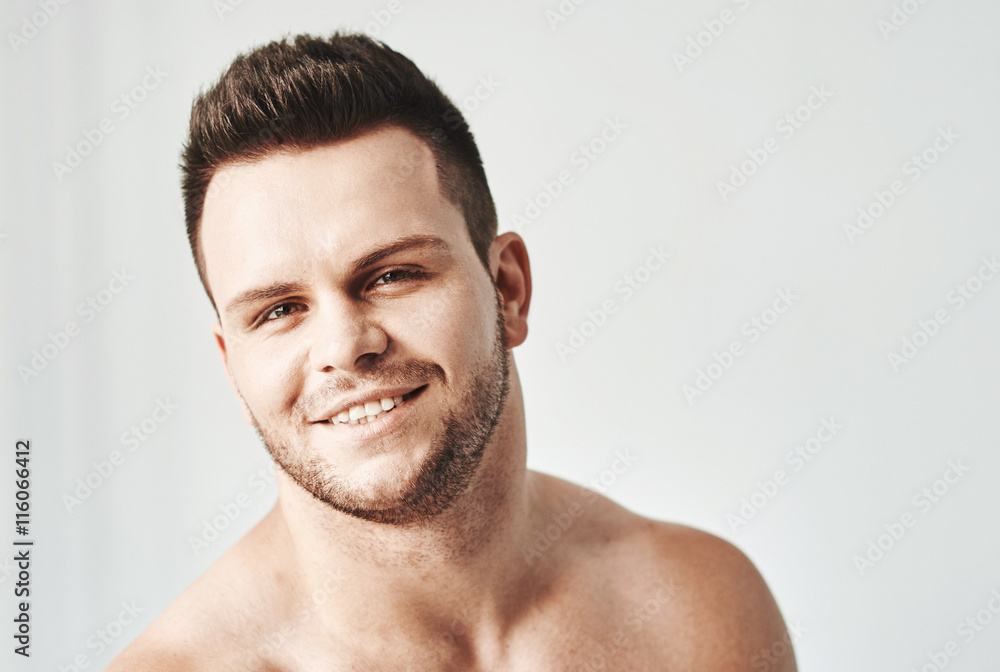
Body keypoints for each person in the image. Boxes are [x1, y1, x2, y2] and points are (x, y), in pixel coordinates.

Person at [108, 33, 797, 671]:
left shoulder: (697, 611)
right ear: (232, 364)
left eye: (391, 275)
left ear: (508, 289)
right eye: (279, 311)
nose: (346, 347)